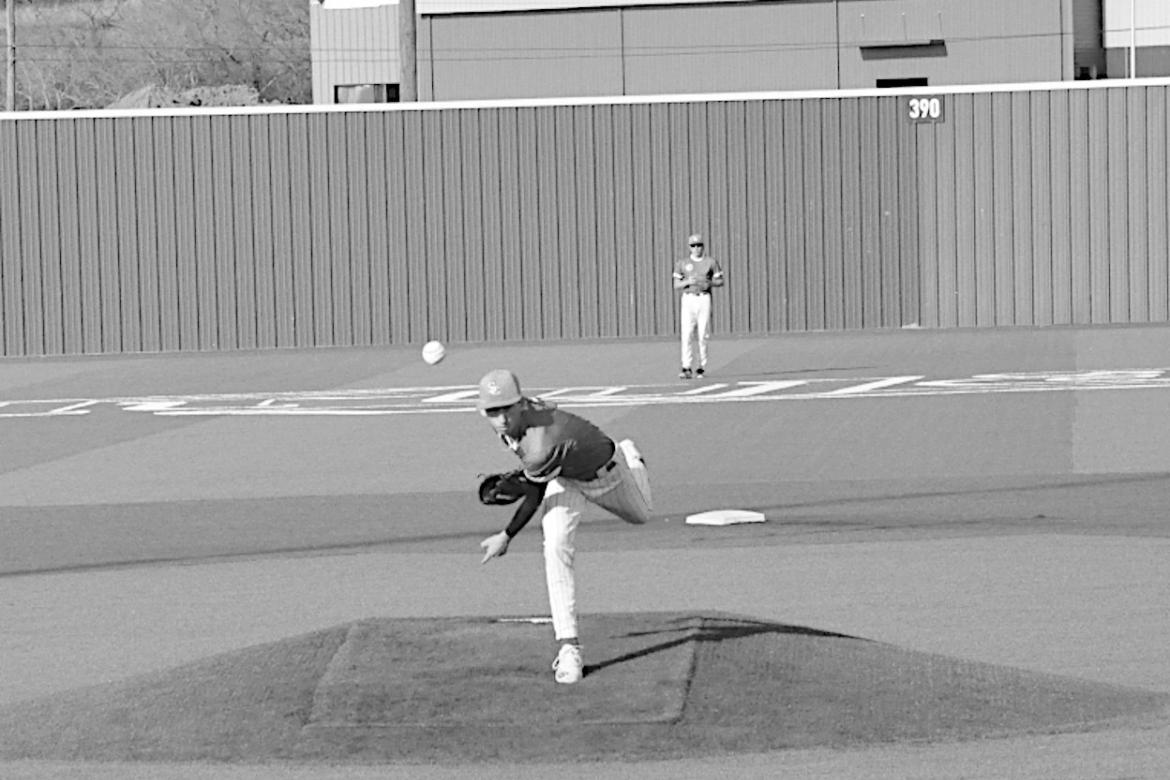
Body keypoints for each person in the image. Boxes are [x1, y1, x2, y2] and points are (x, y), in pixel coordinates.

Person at [476, 368, 653, 684]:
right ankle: (569, 647)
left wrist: (506, 536)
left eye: (506, 409)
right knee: (555, 544)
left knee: (641, 516)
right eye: (492, 411)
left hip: (606, 474)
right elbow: (536, 472)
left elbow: (534, 493)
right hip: (564, 476)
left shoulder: (542, 444)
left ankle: (631, 456)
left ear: (520, 404)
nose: (501, 419)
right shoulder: (516, 423)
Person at [672, 232, 725, 379]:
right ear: (689, 247)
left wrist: (709, 283)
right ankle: (686, 366)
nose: (696, 248)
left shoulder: (710, 262)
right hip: (689, 298)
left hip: (703, 297)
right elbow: (676, 284)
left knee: (703, 333)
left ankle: (702, 366)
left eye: (699, 245)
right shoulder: (683, 263)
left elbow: (720, 280)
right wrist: (688, 282)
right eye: (693, 245)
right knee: (687, 333)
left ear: (703, 246)